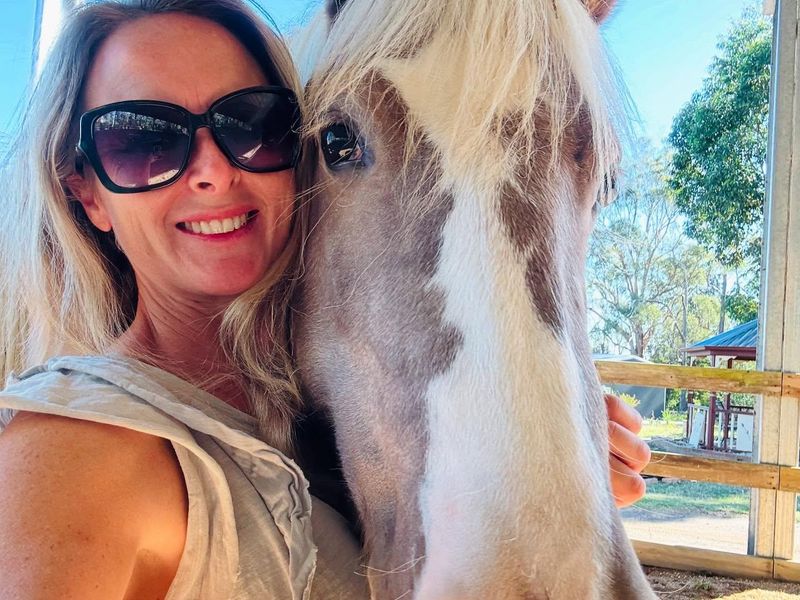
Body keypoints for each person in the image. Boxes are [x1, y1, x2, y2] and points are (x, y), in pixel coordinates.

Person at [0, 0, 650, 597]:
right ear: (88, 192)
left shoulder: (292, 421)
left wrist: (542, 442)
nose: (213, 170)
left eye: (253, 124)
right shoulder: (77, 455)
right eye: (142, 140)